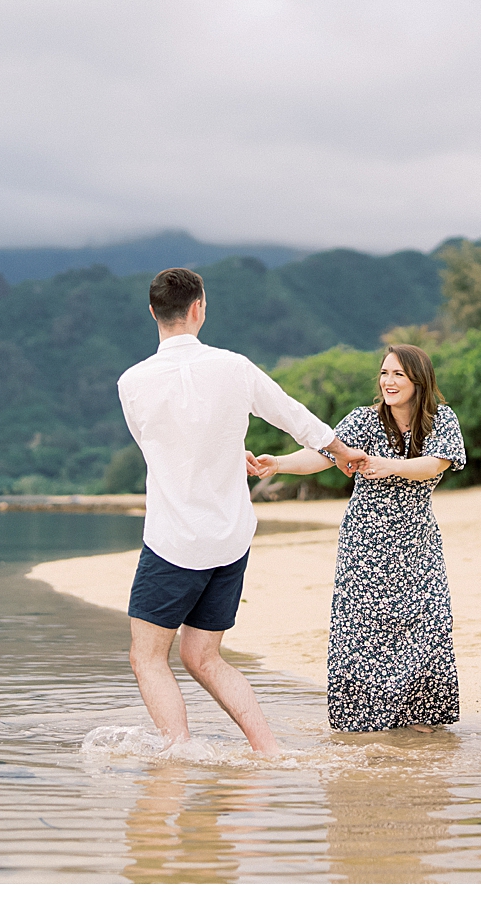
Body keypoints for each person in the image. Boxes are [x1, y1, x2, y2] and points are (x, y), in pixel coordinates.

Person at [117, 267, 368, 755]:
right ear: (199, 308)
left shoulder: (132, 382)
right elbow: (293, 415)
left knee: (147, 657)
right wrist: (342, 451)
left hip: (174, 540)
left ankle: (177, 755)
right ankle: (267, 748)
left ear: (153, 312)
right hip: (230, 538)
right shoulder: (235, 367)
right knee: (204, 656)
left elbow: (160, 446)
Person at [247, 344, 466, 733]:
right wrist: (277, 464)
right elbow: (323, 455)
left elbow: (435, 463)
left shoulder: (441, 421)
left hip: (417, 542)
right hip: (365, 542)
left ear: (419, 379)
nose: (389, 381)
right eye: (384, 373)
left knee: (426, 623)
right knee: (362, 630)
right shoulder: (363, 421)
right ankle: (363, 722)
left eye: (398, 374)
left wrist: (388, 465)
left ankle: (421, 718)